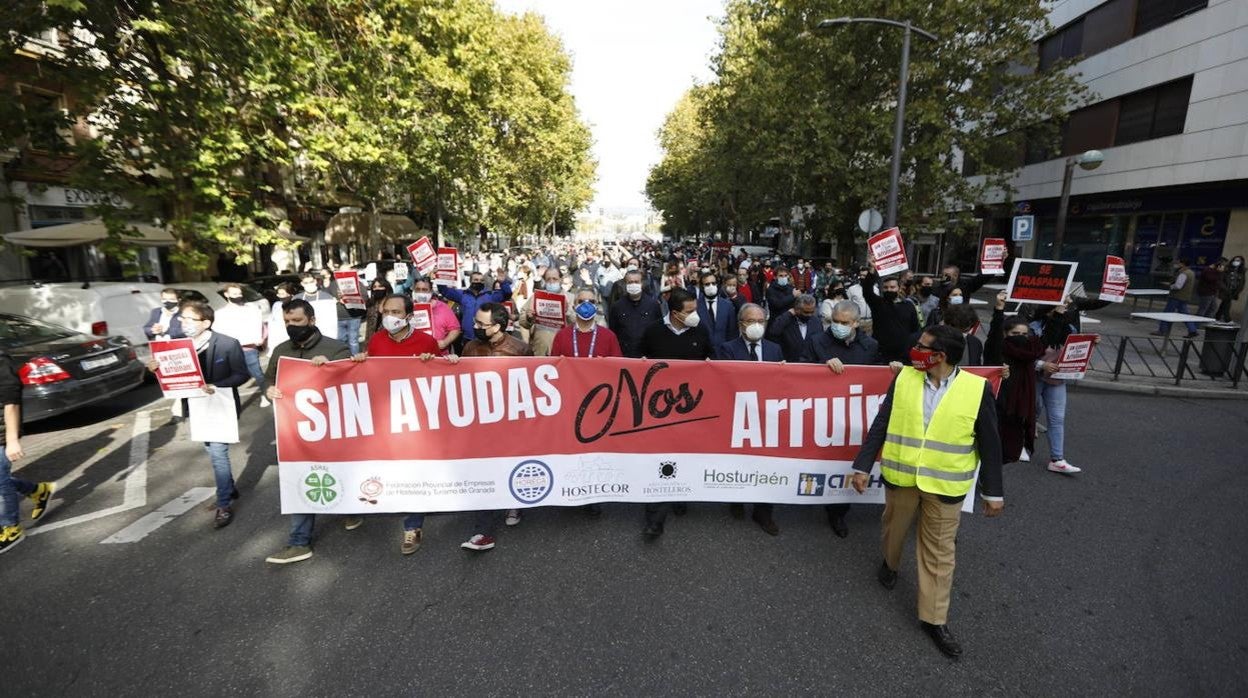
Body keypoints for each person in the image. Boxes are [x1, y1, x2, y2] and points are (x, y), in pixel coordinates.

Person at [849, 325, 1004, 659]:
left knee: (939, 553)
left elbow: (991, 442)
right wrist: (862, 465)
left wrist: (993, 491)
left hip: (945, 487)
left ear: (940, 356)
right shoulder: (904, 378)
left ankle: (934, 619)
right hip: (902, 479)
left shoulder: (977, 390)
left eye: (921, 346)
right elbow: (883, 422)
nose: (913, 350)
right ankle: (890, 564)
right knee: (894, 532)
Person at [351, 294, 454, 555]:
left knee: (415, 469)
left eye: (396, 312)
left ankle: (412, 527)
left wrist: (447, 362)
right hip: (388, 418)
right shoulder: (376, 340)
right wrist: (361, 363)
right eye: (386, 311)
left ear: (409, 315)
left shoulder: (426, 340)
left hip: (419, 418)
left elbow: (442, 374)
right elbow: (370, 374)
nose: (389, 317)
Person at [263, 300, 355, 564]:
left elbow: (352, 382)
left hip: (333, 428)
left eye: (298, 322)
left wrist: (330, 368)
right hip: (299, 432)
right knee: (302, 478)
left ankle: (350, 508)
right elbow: (270, 379)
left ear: (312, 320)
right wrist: (269, 391)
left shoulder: (335, 348)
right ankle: (299, 542)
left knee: (338, 472)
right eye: (288, 322)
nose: (292, 327)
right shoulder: (281, 350)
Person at [147, 301, 249, 529]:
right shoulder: (176, 346)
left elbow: (242, 375)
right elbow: (174, 378)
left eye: (190, 319)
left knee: (218, 453)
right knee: (209, 448)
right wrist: (157, 370)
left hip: (221, 405)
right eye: (182, 318)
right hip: (195, 407)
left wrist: (217, 385)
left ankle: (224, 504)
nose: (184, 323)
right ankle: (229, 488)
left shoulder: (227, 344)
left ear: (206, 322)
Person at [803, 300, 882, 537]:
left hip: (855, 414)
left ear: (856, 323)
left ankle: (839, 510)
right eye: (834, 321)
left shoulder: (870, 345)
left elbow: (878, 375)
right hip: (824, 411)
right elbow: (801, 368)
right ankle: (831, 507)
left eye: (844, 323)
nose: (837, 326)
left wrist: (892, 369)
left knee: (848, 459)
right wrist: (822, 366)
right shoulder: (818, 341)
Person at [639, 288, 711, 540]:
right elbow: (638, 363)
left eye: (696, 309)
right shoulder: (653, 331)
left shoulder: (700, 331)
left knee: (685, 455)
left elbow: (712, 362)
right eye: (690, 311)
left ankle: (681, 495)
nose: (695, 315)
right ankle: (655, 519)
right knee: (660, 460)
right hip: (658, 409)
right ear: (675, 313)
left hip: (690, 407)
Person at [461, 302, 534, 552]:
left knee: (511, 465)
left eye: (482, 324)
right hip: (480, 423)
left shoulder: (521, 350)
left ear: (499, 326)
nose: (475, 327)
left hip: (511, 423)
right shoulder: (470, 347)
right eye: (475, 322)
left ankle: (515, 501)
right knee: (486, 471)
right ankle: (483, 531)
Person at [713, 303, 784, 535]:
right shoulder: (727, 349)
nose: (756, 326)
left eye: (761, 322)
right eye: (751, 321)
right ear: (740, 324)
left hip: (767, 416)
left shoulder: (775, 350)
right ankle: (737, 499)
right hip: (739, 415)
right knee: (739, 460)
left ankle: (764, 512)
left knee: (768, 463)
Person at [0, 349, 56, 554]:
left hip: (3, 433)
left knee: (0, 479)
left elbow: (11, 403)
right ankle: (37, 491)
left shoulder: (2, 362)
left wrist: (12, 440)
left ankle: (10, 527)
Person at [983, 291, 1047, 464]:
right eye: (1015, 334)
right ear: (1005, 334)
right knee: (987, 455)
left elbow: (1050, 337)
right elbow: (994, 334)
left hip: (1017, 411)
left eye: (1024, 334)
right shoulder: (997, 350)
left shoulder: (1030, 353)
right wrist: (999, 309)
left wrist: (1058, 310)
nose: (1020, 338)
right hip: (996, 407)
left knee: (1005, 455)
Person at [1030, 299, 1085, 474]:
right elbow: (1023, 354)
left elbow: (1075, 350)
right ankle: (1023, 445)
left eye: (1066, 308)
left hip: (1057, 379)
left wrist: (1091, 344)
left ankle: (1057, 459)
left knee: (1057, 419)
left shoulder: (1070, 330)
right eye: (1060, 308)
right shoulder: (1034, 328)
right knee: (1031, 411)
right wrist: (1040, 365)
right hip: (1035, 377)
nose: (1064, 311)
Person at [214, 283, 269, 406]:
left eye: (239, 293)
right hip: (231, 350)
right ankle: (232, 403)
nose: (238, 296)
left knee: (257, 374)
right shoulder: (221, 314)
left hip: (250, 348)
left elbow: (262, 326)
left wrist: (262, 338)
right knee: (231, 378)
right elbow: (218, 332)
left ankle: (266, 395)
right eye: (234, 294)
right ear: (226, 295)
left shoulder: (252, 310)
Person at [440, 269, 513, 343]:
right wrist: (439, 276)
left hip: (485, 337)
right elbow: (444, 291)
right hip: (467, 337)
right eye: (476, 280)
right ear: (470, 281)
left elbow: (507, 294)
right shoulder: (463, 295)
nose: (479, 282)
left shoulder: (490, 296)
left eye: (481, 280)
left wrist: (503, 282)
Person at [863, 271, 921, 363]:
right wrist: (871, 272)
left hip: (903, 354)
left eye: (892, 287)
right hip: (881, 353)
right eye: (886, 287)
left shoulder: (909, 305)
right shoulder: (878, 304)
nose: (889, 290)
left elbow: (915, 329)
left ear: (899, 288)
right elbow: (867, 290)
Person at [608, 269, 662, 358]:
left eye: (636, 282)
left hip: (646, 356)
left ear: (642, 283)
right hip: (625, 355)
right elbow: (613, 331)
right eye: (630, 282)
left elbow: (658, 330)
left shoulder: (653, 305)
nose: (633, 285)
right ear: (625, 284)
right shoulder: (617, 306)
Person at [521, 266, 573, 356]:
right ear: (544, 281)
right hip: (540, 349)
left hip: (563, 350)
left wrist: (568, 312)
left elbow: (579, 323)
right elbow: (522, 320)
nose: (551, 281)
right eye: (548, 279)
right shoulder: (536, 297)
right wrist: (528, 318)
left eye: (555, 279)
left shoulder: (571, 298)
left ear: (561, 280)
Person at [409, 277, 462, 354]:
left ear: (430, 291)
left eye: (424, 290)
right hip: (413, 354)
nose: (421, 292)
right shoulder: (407, 307)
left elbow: (455, 329)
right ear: (414, 291)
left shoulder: (443, 307)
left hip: (439, 355)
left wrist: (445, 342)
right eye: (418, 289)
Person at [767, 293, 821, 363]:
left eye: (812, 312)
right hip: (789, 364)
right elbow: (773, 332)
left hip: (810, 365)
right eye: (806, 312)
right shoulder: (786, 320)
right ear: (796, 309)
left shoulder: (816, 322)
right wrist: (788, 314)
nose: (809, 315)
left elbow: (819, 343)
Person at [1153, 258, 1198, 337]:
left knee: (1166, 313)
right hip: (1184, 296)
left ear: (1182, 264)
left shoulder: (1183, 274)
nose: (1177, 264)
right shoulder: (1191, 273)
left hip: (1176, 296)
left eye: (1178, 263)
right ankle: (1192, 330)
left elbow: (1178, 286)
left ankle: (1162, 330)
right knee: (1185, 314)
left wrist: (1170, 286)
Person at [696, 271, 738, 350]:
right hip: (702, 353)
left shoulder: (727, 305)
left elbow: (732, 332)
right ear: (701, 287)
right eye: (707, 284)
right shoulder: (695, 306)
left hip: (723, 352)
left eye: (713, 283)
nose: (711, 286)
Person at [1218, 256, 1245, 322]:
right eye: (1235, 260)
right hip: (1226, 290)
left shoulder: (1241, 272)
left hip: (1233, 291)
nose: (1236, 262)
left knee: (1224, 304)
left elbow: (1242, 282)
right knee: (1227, 304)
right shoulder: (1227, 269)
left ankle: (1217, 317)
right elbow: (1220, 279)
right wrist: (1224, 288)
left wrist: (1238, 291)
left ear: (1241, 262)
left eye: (1238, 260)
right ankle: (1227, 319)